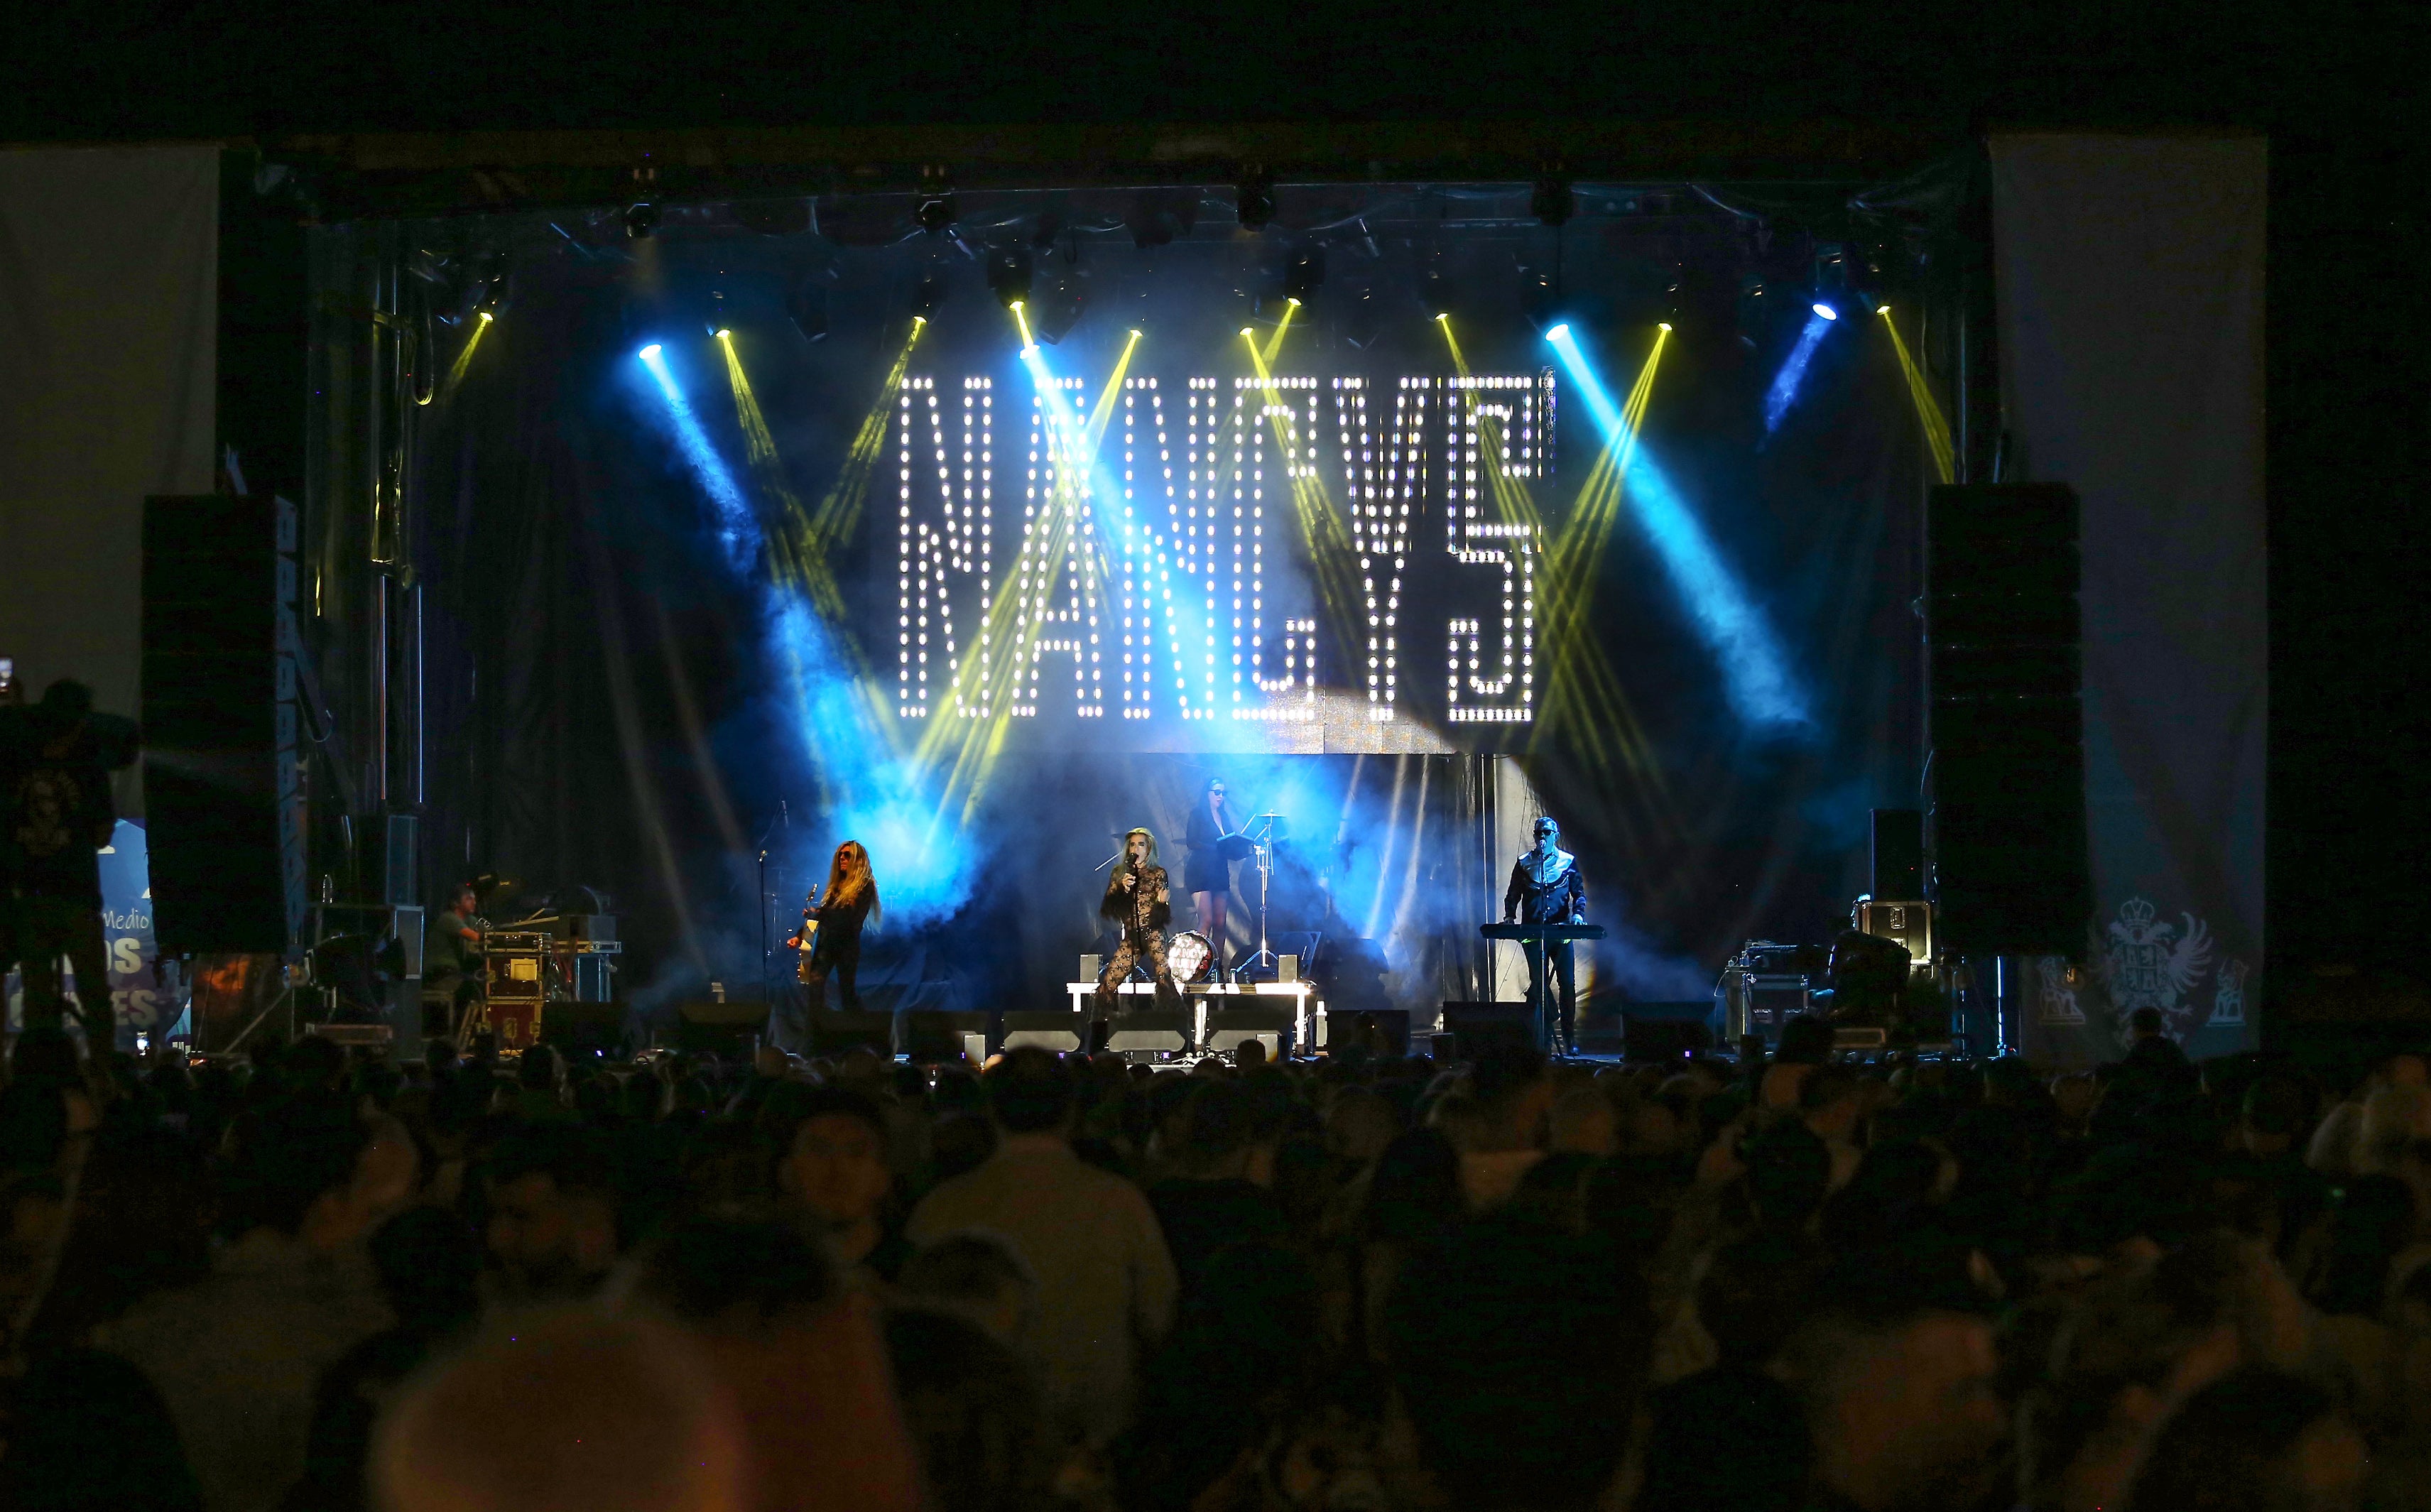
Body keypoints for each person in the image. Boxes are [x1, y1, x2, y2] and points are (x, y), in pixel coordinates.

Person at [905, 1048, 1178, 1449]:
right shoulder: (1118, 1202)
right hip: (1094, 1439)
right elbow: (1159, 1318)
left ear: (991, 1110)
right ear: (1071, 1112)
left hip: (978, 1442)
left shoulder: (942, 1206)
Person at [4, 680, 127, 1045]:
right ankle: (103, 1067)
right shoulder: (89, 768)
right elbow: (102, 834)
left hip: (29, 894)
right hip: (77, 895)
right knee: (93, 993)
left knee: (37, 993)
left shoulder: (15, 764)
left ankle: (41, 1068)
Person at [1501, 815, 1587, 1055]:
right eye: (1539, 833)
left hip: (1561, 934)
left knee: (1567, 985)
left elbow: (1579, 894)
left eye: (1547, 833)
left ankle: (1569, 1038)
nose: (1542, 837)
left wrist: (1577, 916)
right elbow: (1513, 894)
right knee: (1539, 984)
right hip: (1533, 933)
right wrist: (1510, 917)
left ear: (1556, 837)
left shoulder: (1568, 862)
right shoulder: (1525, 863)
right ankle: (1546, 1037)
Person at [1094, 827, 1183, 1022]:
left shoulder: (1158, 873)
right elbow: (1109, 907)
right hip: (1132, 935)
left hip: (1153, 932)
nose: (1136, 848)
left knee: (1164, 979)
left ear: (1149, 848)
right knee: (1108, 983)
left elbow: (1163, 915)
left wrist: (1162, 902)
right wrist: (1121, 889)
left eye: (1141, 844)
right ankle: (1098, 1035)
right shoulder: (1120, 873)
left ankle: (1175, 1031)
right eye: (1133, 844)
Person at [792, 840, 879, 1017]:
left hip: (846, 944)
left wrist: (819, 913)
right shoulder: (836, 887)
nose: (842, 858)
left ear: (857, 859)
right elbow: (825, 913)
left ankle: (862, 1030)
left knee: (847, 992)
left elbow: (845, 917)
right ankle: (818, 1028)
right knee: (814, 986)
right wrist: (801, 935)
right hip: (827, 942)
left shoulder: (864, 886)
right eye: (840, 855)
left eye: (847, 855)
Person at [1183, 777, 1238, 979]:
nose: (1221, 797)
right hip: (1200, 871)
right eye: (1217, 792)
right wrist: (1217, 847)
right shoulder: (1197, 814)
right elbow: (1192, 841)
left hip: (1219, 873)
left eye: (1224, 793)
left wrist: (1238, 848)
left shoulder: (1225, 817)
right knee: (1205, 920)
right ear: (1207, 793)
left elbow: (1230, 844)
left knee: (1220, 923)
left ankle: (1217, 968)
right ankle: (1196, 966)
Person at [423, 883, 484, 1038]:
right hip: (439, 975)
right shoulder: (448, 919)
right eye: (468, 899)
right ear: (456, 903)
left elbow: (486, 933)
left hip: (453, 974)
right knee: (475, 989)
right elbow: (475, 937)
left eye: (474, 899)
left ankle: (465, 1036)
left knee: (481, 985)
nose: (474, 902)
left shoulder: (469, 919)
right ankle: (459, 1037)